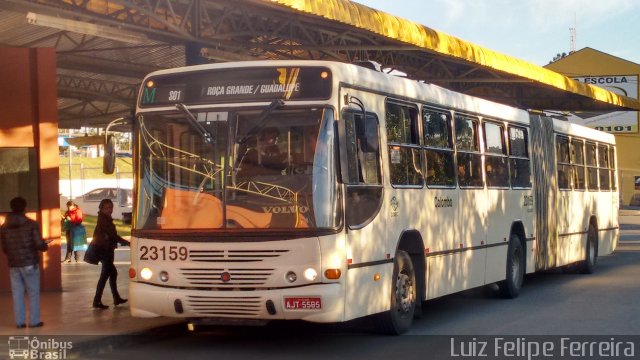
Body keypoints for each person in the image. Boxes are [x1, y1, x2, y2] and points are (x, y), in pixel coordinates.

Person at [0, 197, 49, 328]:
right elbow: (39, 244)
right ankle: (34, 321)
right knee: (33, 292)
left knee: (17, 294)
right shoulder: (31, 224)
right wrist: (45, 245)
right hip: (30, 263)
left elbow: (4, 248)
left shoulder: (4, 227)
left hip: (13, 264)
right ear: (24, 207)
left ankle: (20, 322)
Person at [92, 198, 130, 309]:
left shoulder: (105, 218)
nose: (110, 210)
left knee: (112, 273)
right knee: (104, 276)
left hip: (106, 250)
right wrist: (127, 242)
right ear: (101, 208)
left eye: (111, 207)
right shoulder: (104, 220)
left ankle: (116, 298)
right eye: (107, 208)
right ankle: (97, 301)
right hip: (105, 251)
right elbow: (113, 236)